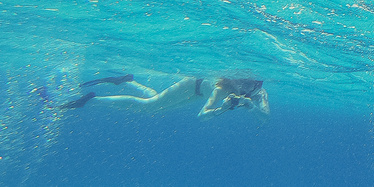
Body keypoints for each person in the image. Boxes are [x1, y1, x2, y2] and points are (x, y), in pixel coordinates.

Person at [40, 74, 270, 121]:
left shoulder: (259, 92)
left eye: (254, 85)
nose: (247, 88)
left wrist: (251, 106)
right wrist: (223, 109)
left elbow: (266, 119)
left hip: (199, 92)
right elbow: (202, 116)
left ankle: (128, 81)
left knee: (158, 104)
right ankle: (90, 100)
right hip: (194, 85)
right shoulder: (222, 89)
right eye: (244, 84)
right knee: (150, 106)